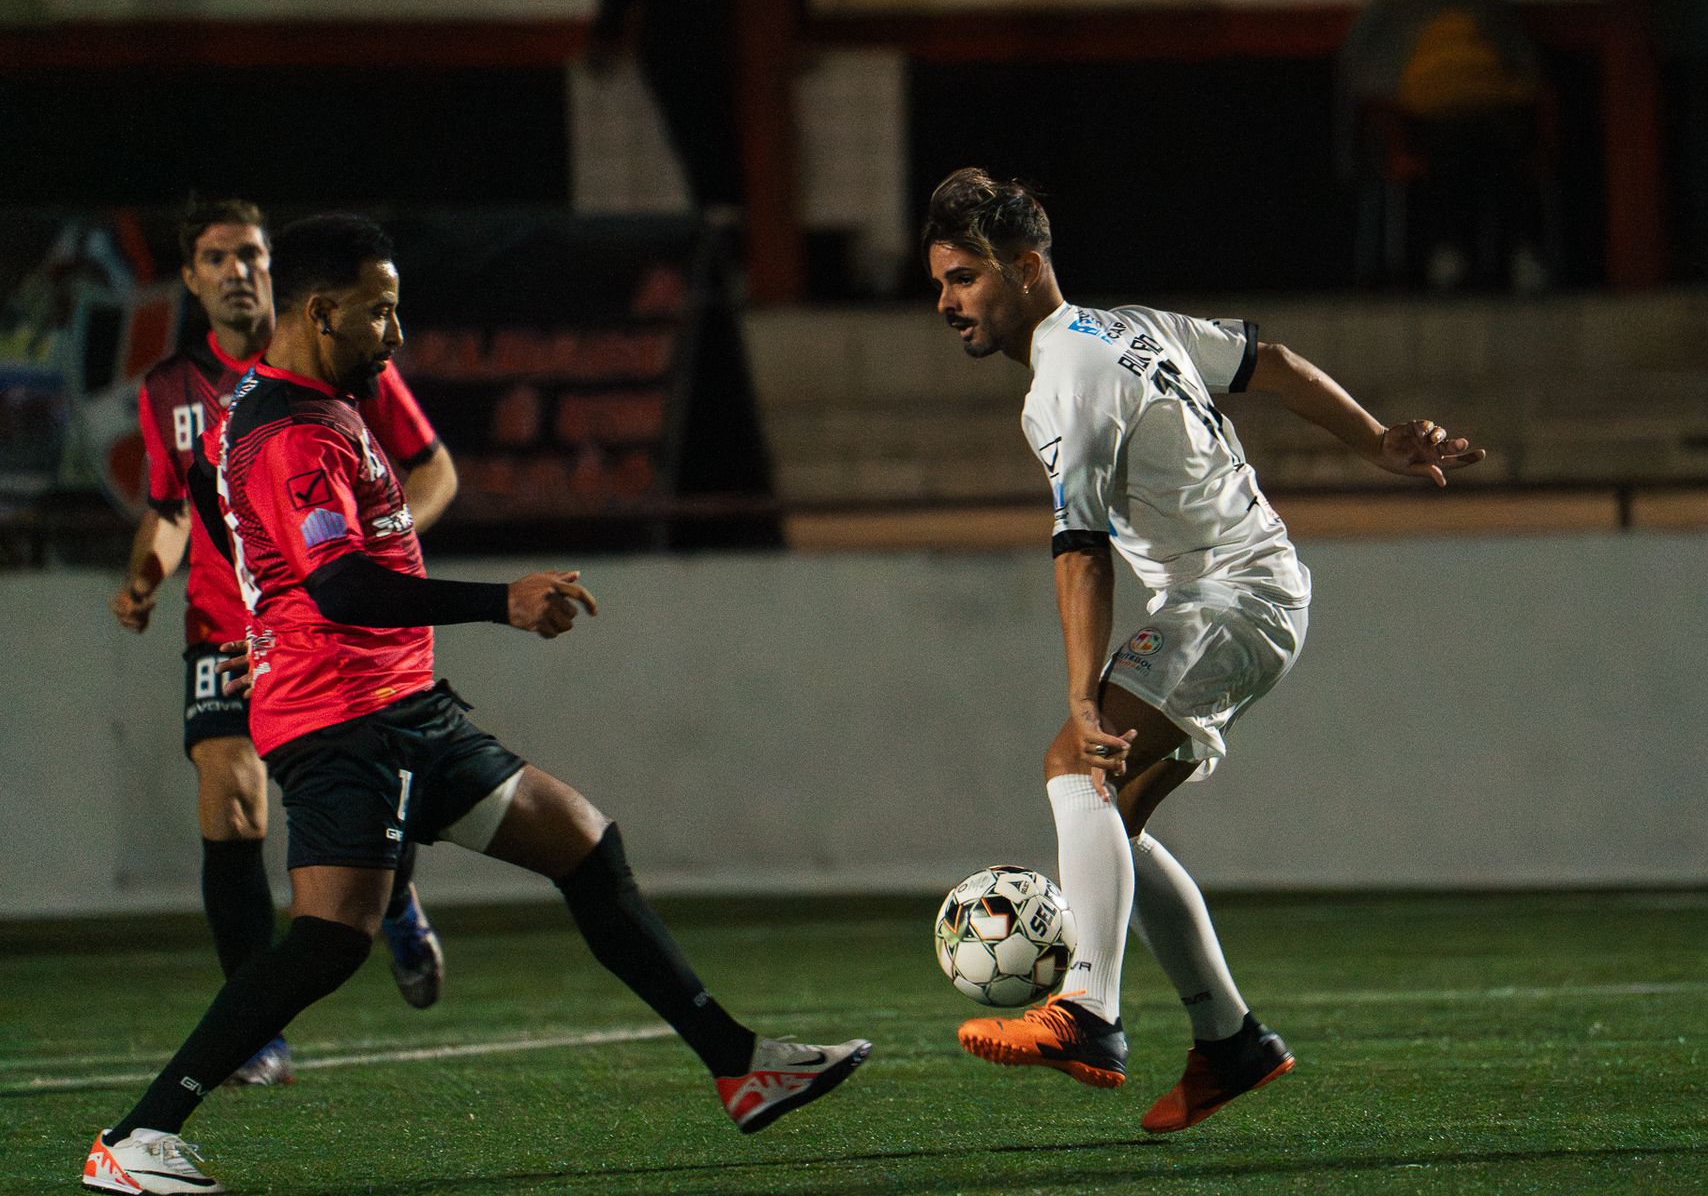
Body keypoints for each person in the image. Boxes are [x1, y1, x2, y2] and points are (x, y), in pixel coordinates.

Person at [83, 215, 868, 1195]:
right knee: (330, 939)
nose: (397, 335)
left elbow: (232, 516)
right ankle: (135, 1138)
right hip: (346, 721)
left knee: (582, 839)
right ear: (324, 313)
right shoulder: (289, 432)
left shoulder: (309, 405)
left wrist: (260, 611)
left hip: (399, 703)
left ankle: (739, 1063)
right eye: (381, 313)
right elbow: (342, 588)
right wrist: (500, 600)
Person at [921, 168, 1484, 1134]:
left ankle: (1090, 1013)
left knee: (1073, 765)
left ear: (1024, 268)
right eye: (940, 283)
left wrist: (1084, 699)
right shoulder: (1131, 326)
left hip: (1229, 595)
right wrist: (1375, 440)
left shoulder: (1068, 373)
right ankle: (1229, 1042)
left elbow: (1081, 551)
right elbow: (1274, 360)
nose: (946, 303)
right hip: (1248, 591)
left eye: (964, 278)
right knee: (1115, 826)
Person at [110, 200, 460, 1086]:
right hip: (225, 626)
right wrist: (146, 578)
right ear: (190, 278)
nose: (238, 270)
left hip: (329, 626)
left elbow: (435, 467)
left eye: (252, 255)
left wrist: (378, 539)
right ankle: (253, 1025)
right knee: (233, 799)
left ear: (277, 271)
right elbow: (168, 511)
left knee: (371, 785)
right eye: (217, 257)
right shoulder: (168, 391)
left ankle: (396, 897)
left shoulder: (338, 350)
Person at [1339, 0, 1546, 291]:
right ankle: (1449, 250)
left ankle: (1515, 253)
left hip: (1490, 112)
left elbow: (1523, 64)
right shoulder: (1388, 9)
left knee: (1503, 142)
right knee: (1450, 145)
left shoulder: (1483, 4)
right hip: (1415, 119)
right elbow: (1363, 73)